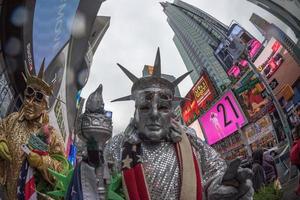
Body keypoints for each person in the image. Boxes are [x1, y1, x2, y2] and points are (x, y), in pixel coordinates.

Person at [104, 48, 254, 200]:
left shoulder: (191, 141)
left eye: (162, 107)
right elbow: (97, 187)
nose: (154, 114)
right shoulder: (116, 146)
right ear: (135, 113)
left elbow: (216, 172)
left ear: (171, 113)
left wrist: (223, 186)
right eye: (144, 107)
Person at [0, 60, 66, 199]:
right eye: (28, 96)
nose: (29, 103)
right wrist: (1, 141)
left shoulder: (50, 134)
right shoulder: (12, 119)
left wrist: (42, 162)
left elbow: (63, 173)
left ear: (45, 106)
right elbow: (1, 128)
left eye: (37, 99)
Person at [290, 124, 300, 196]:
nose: (294, 135)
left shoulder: (295, 142)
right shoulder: (298, 142)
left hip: (297, 162)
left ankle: (298, 190)